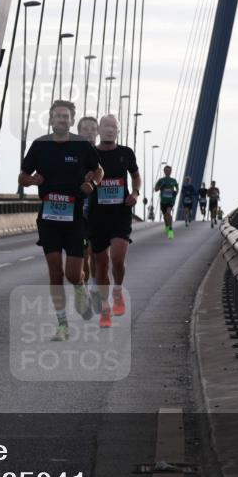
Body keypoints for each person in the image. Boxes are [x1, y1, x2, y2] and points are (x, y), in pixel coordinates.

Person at [19, 100, 104, 341]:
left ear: (71, 119)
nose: (61, 120)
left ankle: (81, 287)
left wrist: (93, 184)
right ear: (51, 118)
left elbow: (99, 170)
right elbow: (23, 176)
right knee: (55, 272)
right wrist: (31, 181)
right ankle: (63, 325)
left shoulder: (81, 146)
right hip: (48, 218)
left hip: (74, 216)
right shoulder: (39, 146)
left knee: (72, 274)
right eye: (57, 116)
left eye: (66, 116)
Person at [87, 114, 140, 328]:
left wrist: (135, 193)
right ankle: (105, 309)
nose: (110, 130)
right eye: (106, 126)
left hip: (120, 213)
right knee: (101, 264)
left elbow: (136, 176)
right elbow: (81, 176)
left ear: (118, 131)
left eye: (114, 127)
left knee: (117, 259)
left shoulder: (126, 153)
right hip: (97, 216)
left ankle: (118, 290)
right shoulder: (90, 154)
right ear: (99, 130)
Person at [76, 116, 99, 302]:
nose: (89, 132)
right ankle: (85, 286)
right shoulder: (73, 155)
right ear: (79, 132)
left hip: (100, 214)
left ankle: (94, 286)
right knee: (84, 255)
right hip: (79, 213)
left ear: (98, 133)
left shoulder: (105, 155)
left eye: (93, 129)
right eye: (85, 129)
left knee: (96, 254)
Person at [154, 166, 179, 240]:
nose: (168, 172)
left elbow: (177, 188)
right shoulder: (161, 180)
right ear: (164, 171)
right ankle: (167, 227)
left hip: (171, 200)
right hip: (163, 201)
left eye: (169, 170)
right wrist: (161, 186)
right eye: (166, 170)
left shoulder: (173, 180)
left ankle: (170, 230)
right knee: (165, 216)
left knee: (168, 213)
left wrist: (176, 192)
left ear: (171, 171)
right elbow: (155, 189)